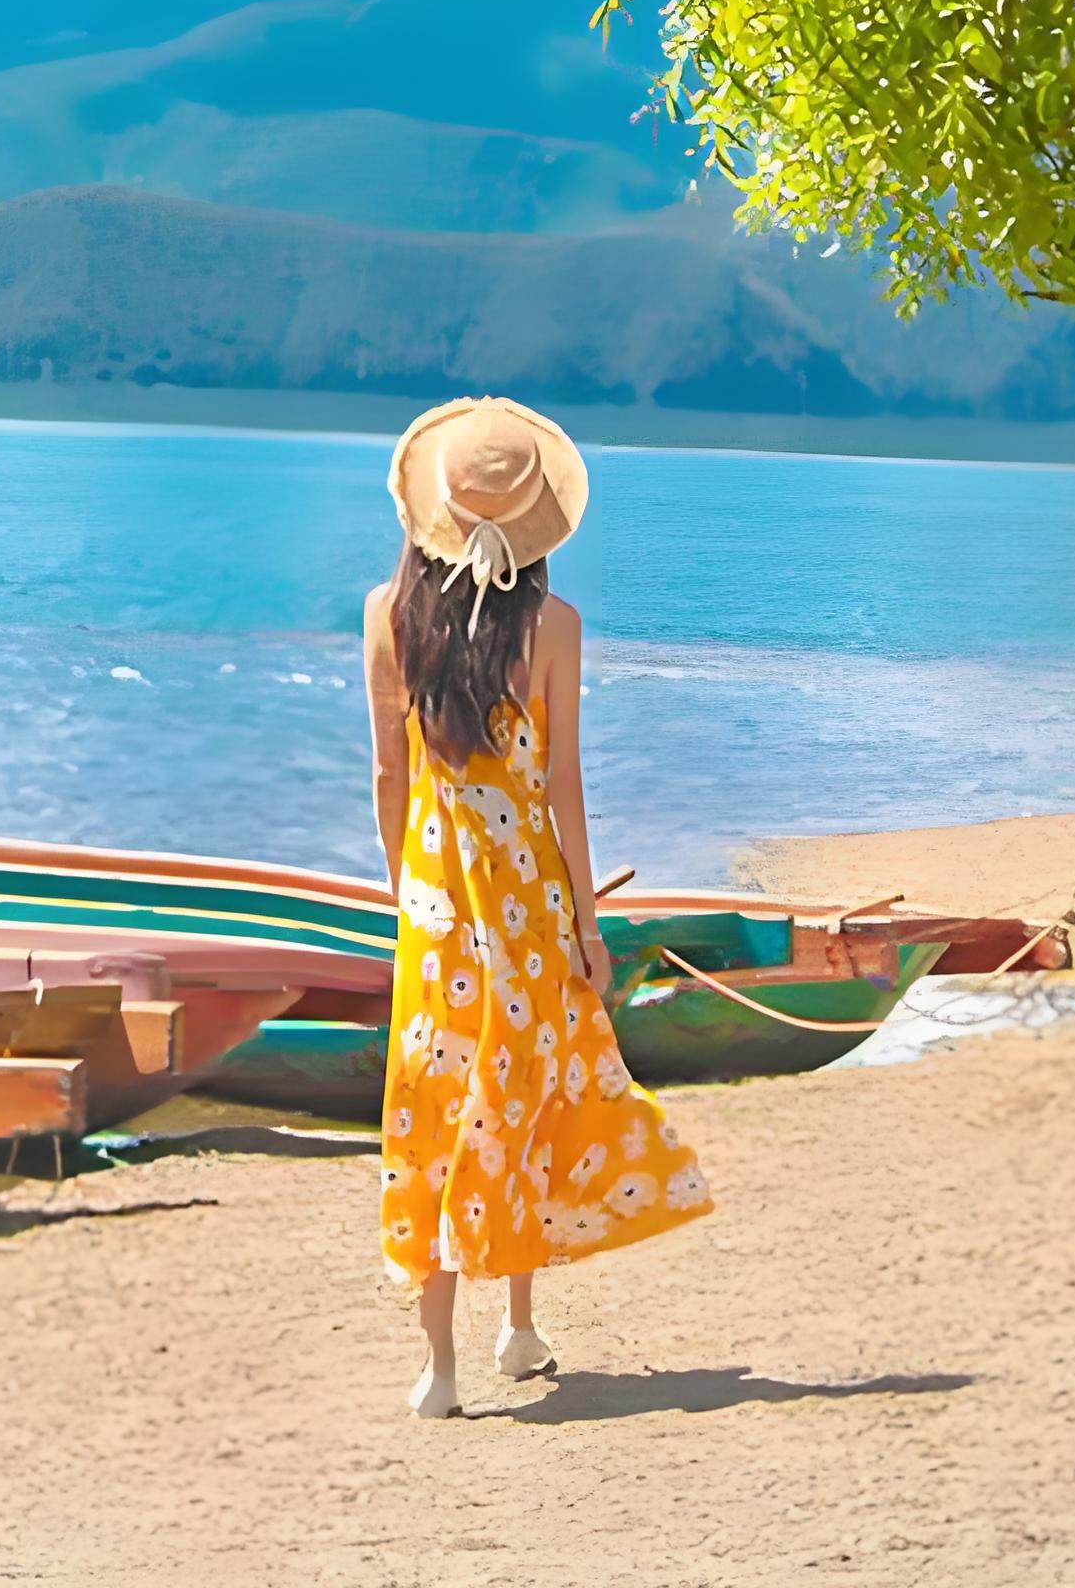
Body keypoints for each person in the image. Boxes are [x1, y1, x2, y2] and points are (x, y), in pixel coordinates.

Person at [363, 395, 713, 1415]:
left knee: (432, 1111)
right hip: (523, 900)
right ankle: (515, 1324)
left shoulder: (385, 617)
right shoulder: (553, 625)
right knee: (519, 1093)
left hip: (436, 907)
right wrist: (586, 922)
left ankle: (439, 1368)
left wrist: (404, 891)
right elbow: (562, 785)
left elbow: (388, 776)